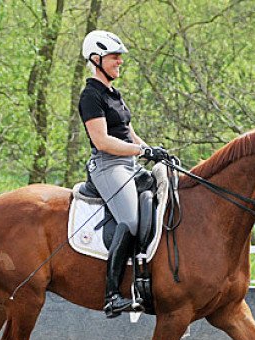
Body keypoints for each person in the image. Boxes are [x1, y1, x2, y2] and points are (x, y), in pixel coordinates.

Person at [78, 30, 167, 318]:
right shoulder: (90, 96)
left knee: (164, 192)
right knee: (128, 220)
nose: (120, 62)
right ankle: (112, 294)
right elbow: (103, 141)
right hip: (107, 166)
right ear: (96, 59)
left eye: (119, 57)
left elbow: (128, 134)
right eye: (114, 57)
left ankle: (147, 273)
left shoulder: (113, 94)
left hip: (128, 163)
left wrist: (151, 149)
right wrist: (139, 152)